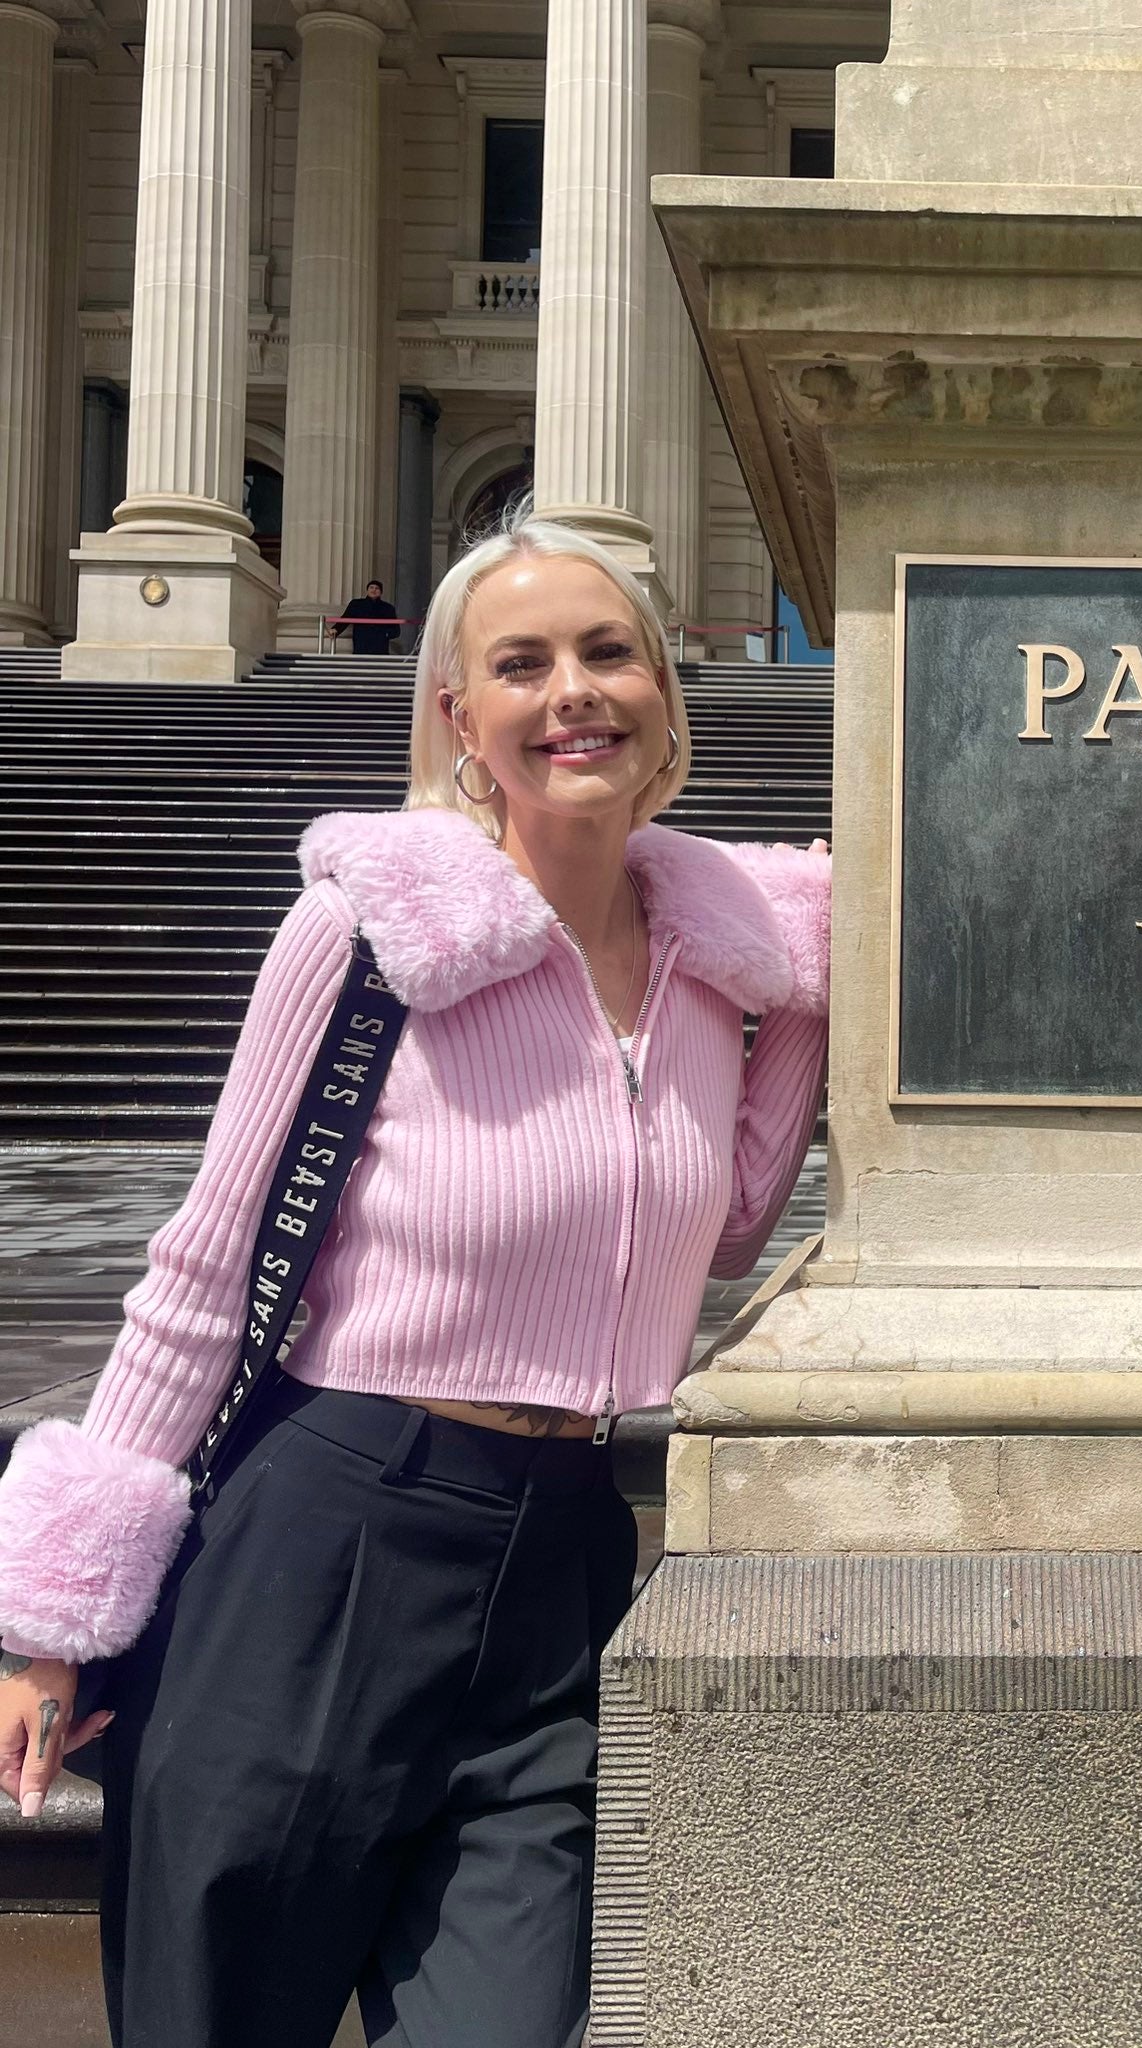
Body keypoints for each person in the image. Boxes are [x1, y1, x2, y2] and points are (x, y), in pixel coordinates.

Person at [0, 513, 830, 2047]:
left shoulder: (709, 962)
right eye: (521, 664)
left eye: (607, 652)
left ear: (662, 687)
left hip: (565, 1557)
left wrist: (800, 991)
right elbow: (207, 1266)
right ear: (459, 711)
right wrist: (51, 1617)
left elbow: (717, 1237)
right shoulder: (376, 934)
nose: (572, 691)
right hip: (332, 1542)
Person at [337, 576, 402, 654]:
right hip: (361, 645)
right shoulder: (356, 604)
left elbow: (396, 630)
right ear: (367, 590)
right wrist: (336, 630)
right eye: (371, 587)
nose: (374, 590)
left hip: (380, 647)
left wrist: (384, 634)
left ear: (381, 592)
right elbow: (345, 619)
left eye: (377, 588)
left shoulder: (388, 608)